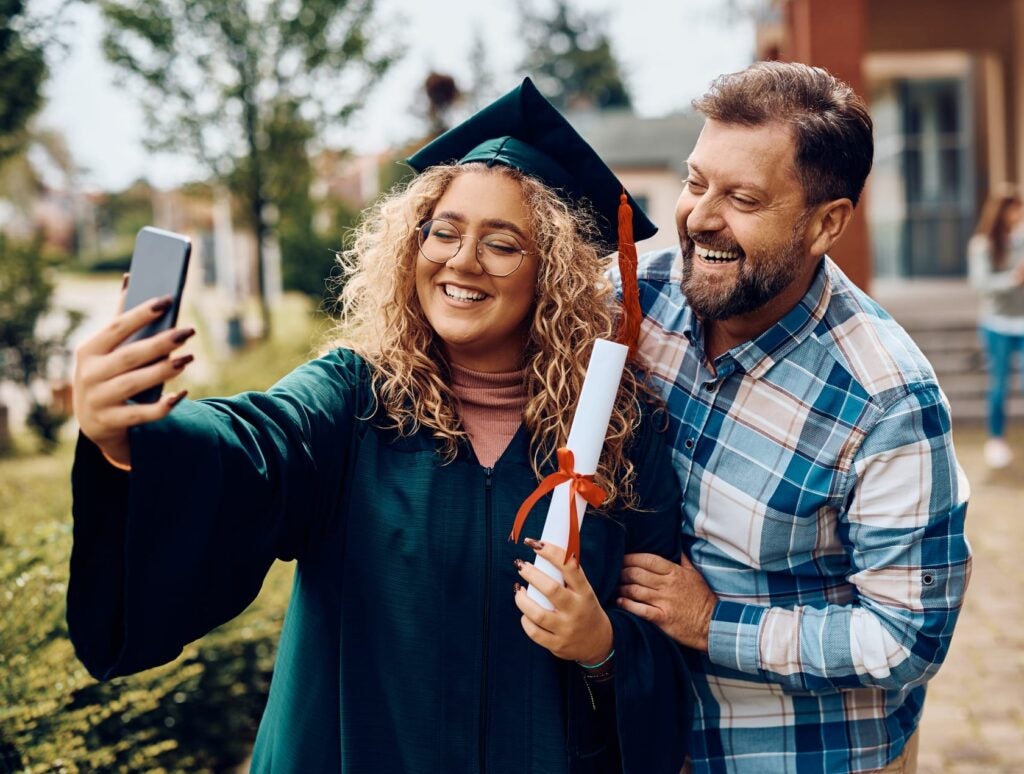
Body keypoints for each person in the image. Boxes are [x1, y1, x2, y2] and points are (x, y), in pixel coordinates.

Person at [66, 78, 692, 773]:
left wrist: (601, 646)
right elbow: (257, 443)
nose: (461, 261)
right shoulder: (355, 400)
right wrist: (135, 437)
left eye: (503, 244)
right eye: (444, 231)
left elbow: (663, 654)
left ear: (554, 272)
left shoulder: (618, 438)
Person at [616, 61, 972, 773]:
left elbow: (907, 639)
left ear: (825, 224)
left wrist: (716, 625)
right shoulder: (636, 300)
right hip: (651, 744)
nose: (699, 217)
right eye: (695, 183)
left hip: (804, 755)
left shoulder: (889, 401)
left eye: (742, 197)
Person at [968, 185, 1024, 469]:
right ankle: (996, 440)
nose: (1019, 214)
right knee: (1000, 385)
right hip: (997, 324)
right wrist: (1013, 280)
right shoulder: (983, 245)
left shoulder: (1021, 240)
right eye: (1015, 208)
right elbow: (981, 285)